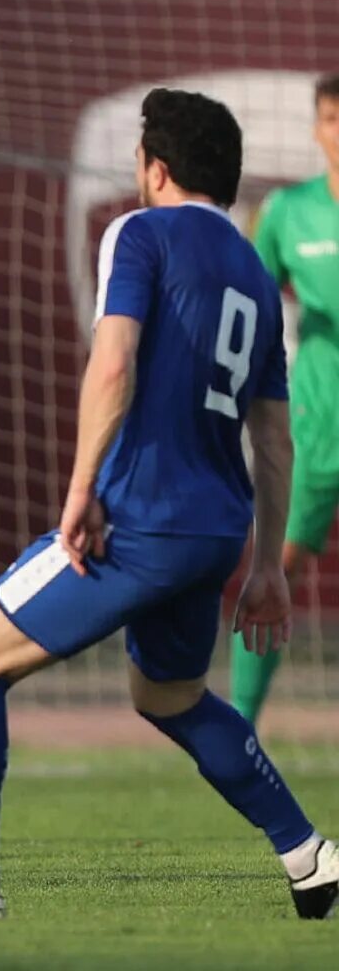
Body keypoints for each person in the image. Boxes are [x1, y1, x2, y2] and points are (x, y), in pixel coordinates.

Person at [0, 88, 338, 921]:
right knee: (167, 696)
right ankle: (309, 854)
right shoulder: (248, 264)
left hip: (141, 519)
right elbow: (273, 439)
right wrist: (267, 566)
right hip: (215, 529)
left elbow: (113, 364)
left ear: (154, 168)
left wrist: (82, 491)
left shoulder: (140, 231)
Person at [232, 71, 339, 723]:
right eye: (332, 120)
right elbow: (247, 300)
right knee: (277, 561)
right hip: (317, 420)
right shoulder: (288, 211)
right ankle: (240, 727)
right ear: (317, 128)